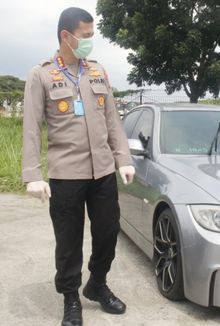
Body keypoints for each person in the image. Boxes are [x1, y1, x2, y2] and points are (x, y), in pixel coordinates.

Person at [22, 7, 135, 326]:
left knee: (108, 233)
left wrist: (122, 158)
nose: (90, 42)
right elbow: (31, 127)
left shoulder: (97, 71)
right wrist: (32, 175)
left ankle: (97, 284)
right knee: (69, 242)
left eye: (92, 35)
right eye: (86, 36)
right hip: (66, 175)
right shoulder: (41, 74)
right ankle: (71, 297)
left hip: (102, 172)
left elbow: (112, 119)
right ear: (66, 36)